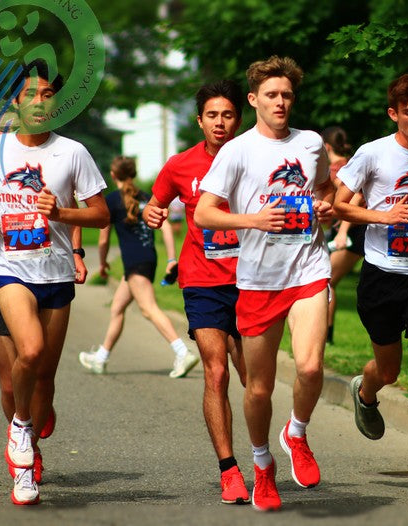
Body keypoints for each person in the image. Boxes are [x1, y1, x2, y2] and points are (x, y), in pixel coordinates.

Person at [0, 59, 109, 505]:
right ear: (15, 102)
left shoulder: (73, 152)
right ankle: (21, 434)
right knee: (32, 350)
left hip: (55, 272)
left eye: (47, 95)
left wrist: (60, 212)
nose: (39, 102)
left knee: (44, 378)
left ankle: (29, 444)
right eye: (30, 94)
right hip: (9, 269)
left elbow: (101, 215)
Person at [193, 56, 334, 512]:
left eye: (287, 95)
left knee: (310, 367)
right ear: (253, 99)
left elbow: (326, 188)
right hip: (258, 279)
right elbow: (204, 213)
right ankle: (261, 463)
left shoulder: (310, 143)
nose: (280, 102)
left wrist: (325, 205)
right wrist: (252, 219)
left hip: (308, 268)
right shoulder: (237, 151)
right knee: (258, 388)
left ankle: (296, 432)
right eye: (271, 95)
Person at [333, 73, 408, 493]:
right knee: (387, 369)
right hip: (382, 275)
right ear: (393, 113)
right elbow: (339, 206)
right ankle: (365, 392)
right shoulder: (373, 154)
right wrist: (383, 216)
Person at [141, 80, 250, 504]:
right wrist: (152, 213)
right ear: (199, 121)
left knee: (252, 379)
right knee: (215, 371)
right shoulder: (180, 165)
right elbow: (156, 203)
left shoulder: (254, 158)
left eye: (227, 115)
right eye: (212, 115)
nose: (220, 123)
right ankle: (229, 470)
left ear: (238, 119)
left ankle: (266, 452)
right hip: (203, 280)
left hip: (251, 280)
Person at [77, 157, 199, 378]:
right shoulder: (146, 197)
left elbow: (103, 239)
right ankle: (100, 358)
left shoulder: (112, 200)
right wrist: (171, 259)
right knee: (117, 308)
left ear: (113, 175)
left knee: (148, 308)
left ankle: (183, 352)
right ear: (132, 173)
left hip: (134, 262)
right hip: (148, 259)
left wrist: (102, 264)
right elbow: (166, 228)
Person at [321, 126, 365, 345]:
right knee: (326, 282)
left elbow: (356, 197)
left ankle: (326, 336)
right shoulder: (349, 164)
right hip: (352, 230)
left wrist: (343, 232)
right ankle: (326, 336)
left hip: (354, 232)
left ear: (326, 146)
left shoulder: (337, 169)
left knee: (326, 281)